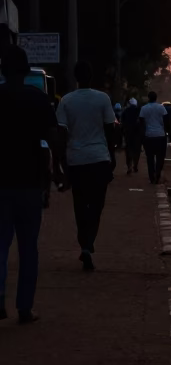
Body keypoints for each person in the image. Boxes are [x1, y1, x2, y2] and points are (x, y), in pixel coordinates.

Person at [0, 45, 64, 322]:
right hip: (29, 184)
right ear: (26, 71)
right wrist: (59, 171)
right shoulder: (37, 99)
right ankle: (24, 307)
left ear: (3, 70)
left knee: (0, 247)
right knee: (28, 248)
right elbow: (51, 138)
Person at [56, 60, 116, 272]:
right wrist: (112, 158)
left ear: (75, 77)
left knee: (80, 204)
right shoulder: (102, 98)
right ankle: (88, 244)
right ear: (91, 76)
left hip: (77, 160)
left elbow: (61, 135)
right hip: (99, 158)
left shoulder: (66, 101)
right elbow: (110, 130)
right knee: (97, 205)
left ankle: (84, 244)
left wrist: (61, 163)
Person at [139, 91, 168, 184]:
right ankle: (157, 174)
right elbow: (166, 120)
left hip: (149, 136)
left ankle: (152, 177)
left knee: (150, 158)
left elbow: (141, 122)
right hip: (160, 135)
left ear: (148, 98)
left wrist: (142, 136)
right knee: (160, 157)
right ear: (156, 98)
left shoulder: (144, 108)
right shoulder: (161, 107)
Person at [121, 97, 142, 174]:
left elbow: (122, 122)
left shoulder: (126, 111)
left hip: (128, 133)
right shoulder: (139, 110)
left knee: (128, 150)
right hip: (137, 134)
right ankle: (135, 165)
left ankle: (129, 166)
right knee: (137, 150)